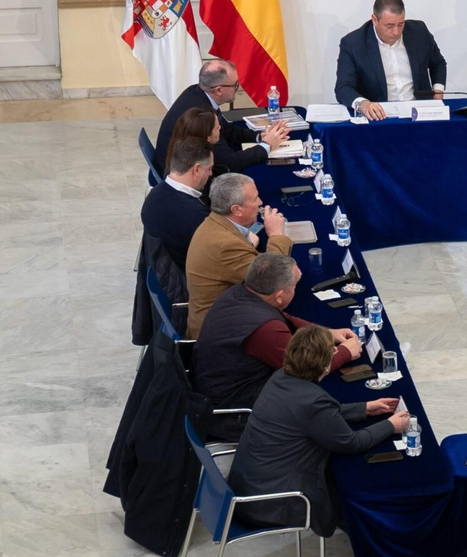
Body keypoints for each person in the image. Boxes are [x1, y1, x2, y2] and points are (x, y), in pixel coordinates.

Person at [227, 327, 408, 537]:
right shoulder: (313, 402)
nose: (335, 352)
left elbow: (315, 416)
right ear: (324, 364)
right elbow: (351, 443)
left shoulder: (280, 376)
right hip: (274, 503)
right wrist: (390, 425)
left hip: (248, 488)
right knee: (353, 483)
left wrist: (364, 408)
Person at [193, 254, 361, 431]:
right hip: (236, 411)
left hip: (213, 387)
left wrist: (325, 333)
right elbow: (304, 371)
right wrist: (345, 352)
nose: (295, 290)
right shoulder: (264, 329)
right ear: (279, 296)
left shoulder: (240, 293)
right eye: (294, 286)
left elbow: (283, 318)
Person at [184, 172, 292, 338]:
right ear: (236, 210)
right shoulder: (226, 245)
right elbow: (271, 278)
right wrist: (276, 235)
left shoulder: (215, 222)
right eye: (255, 199)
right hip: (219, 333)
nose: (260, 202)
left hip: (224, 314)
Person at [154, 59, 289, 175]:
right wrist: (266, 146)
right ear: (219, 90)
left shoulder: (198, 92)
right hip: (179, 173)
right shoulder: (201, 115)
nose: (237, 88)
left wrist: (259, 136)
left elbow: (225, 128)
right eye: (235, 85)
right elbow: (230, 163)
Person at [333, 0, 448, 119]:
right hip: (380, 117)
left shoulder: (419, 32)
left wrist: (438, 92)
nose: (396, 32)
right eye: (389, 26)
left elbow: (438, 63)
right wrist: (363, 104)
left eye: (401, 24)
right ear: (374, 20)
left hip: (420, 114)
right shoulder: (353, 44)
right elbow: (343, 88)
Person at [140, 137, 213, 269]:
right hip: (186, 277)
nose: (211, 173)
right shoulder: (195, 214)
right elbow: (215, 256)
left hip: (162, 274)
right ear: (197, 169)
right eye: (209, 168)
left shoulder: (153, 195)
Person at [162, 107, 221, 176]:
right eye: (217, 128)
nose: (220, 127)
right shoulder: (200, 172)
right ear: (207, 137)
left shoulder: (177, 154)